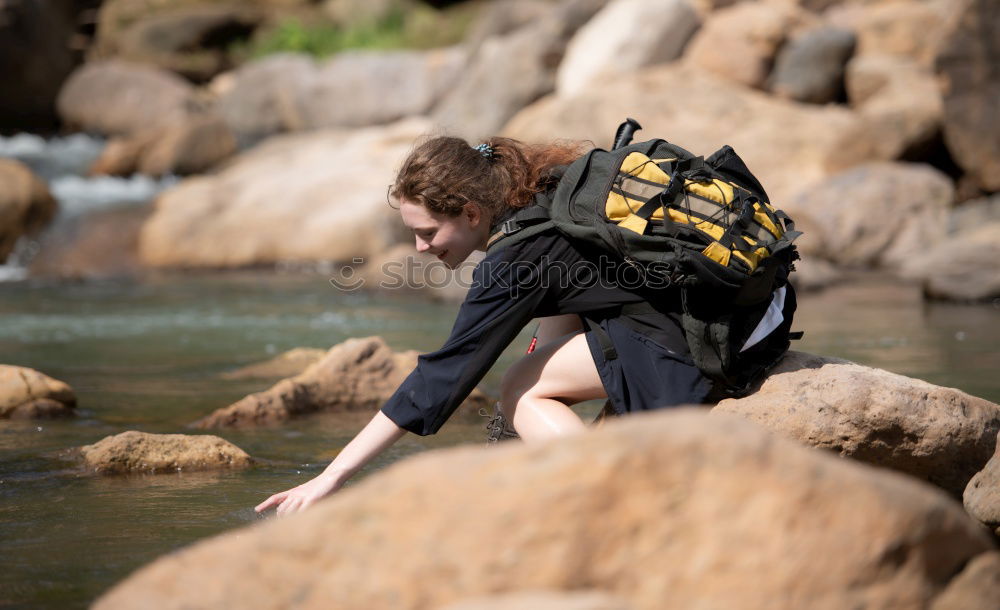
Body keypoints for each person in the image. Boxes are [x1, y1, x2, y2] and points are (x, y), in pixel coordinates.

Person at [255, 135, 793, 517]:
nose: (419, 249)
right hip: (762, 303)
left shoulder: (512, 260)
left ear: (469, 212)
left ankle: (617, 496)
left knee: (519, 392)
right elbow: (574, 291)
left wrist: (331, 477)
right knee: (532, 373)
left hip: (712, 333)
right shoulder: (546, 188)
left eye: (426, 231)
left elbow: (441, 378)